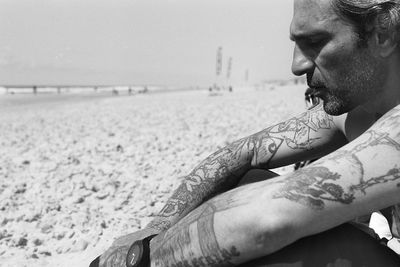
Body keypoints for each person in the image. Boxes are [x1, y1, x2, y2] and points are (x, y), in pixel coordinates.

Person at [94, 0, 400, 266]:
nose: (296, 65)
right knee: (245, 181)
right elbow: (244, 152)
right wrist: (157, 227)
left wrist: (140, 258)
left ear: (381, 33)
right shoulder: (359, 110)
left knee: (260, 241)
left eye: (316, 41)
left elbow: (266, 219)